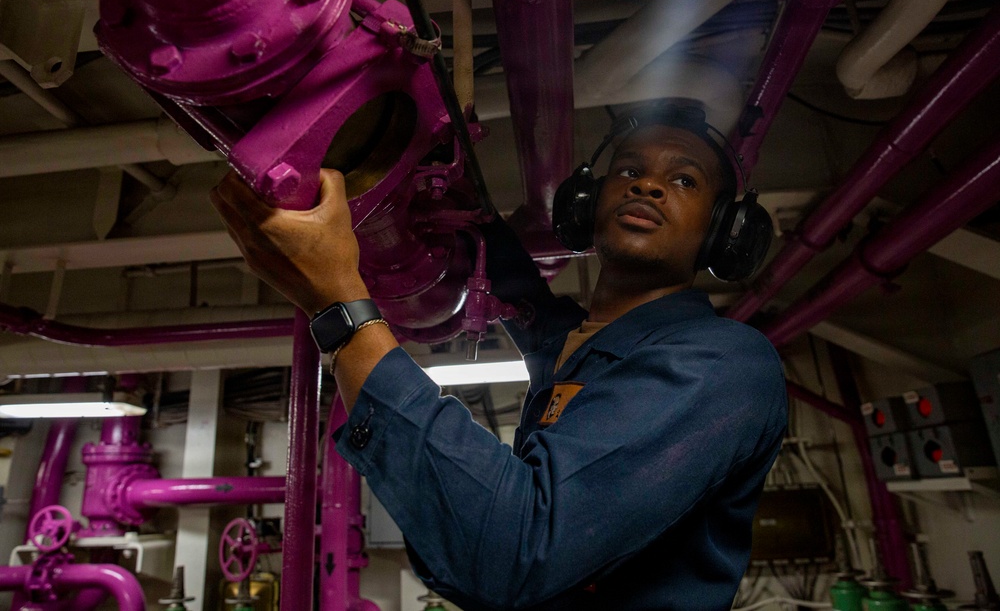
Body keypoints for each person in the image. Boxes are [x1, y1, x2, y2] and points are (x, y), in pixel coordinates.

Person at [211, 105, 787, 611]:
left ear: (723, 232)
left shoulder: (723, 365)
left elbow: (518, 550)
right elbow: (533, 308)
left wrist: (337, 302)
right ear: (588, 201)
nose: (647, 188)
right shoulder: (575, 350)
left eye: (683, 180)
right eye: (630, 171)